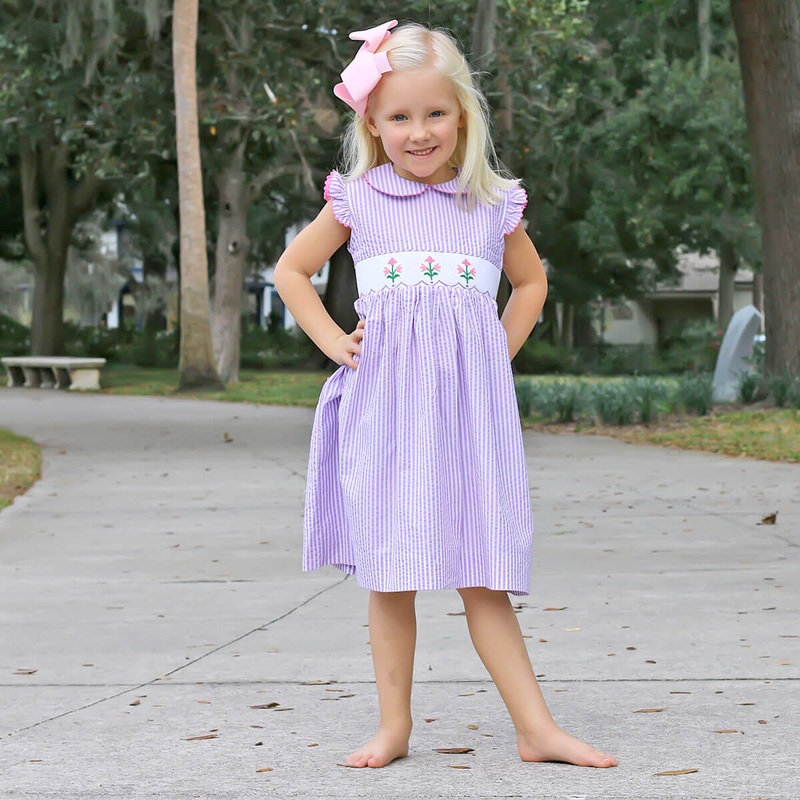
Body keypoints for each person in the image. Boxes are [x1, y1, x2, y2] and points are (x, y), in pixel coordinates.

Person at [273, 19, 618, 771]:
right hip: (387, 414)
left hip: (469, 418)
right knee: (391, 575)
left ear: (462, 113)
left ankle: (536, 729)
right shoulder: (358, 199)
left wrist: (496, 352)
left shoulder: (491, 203)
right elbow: (291, 272)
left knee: (481, 573)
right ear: (372, 122)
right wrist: (334, 342)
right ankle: (393, 727)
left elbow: (530, 284)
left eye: (435, 112)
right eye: (399, 116)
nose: (419, 131)